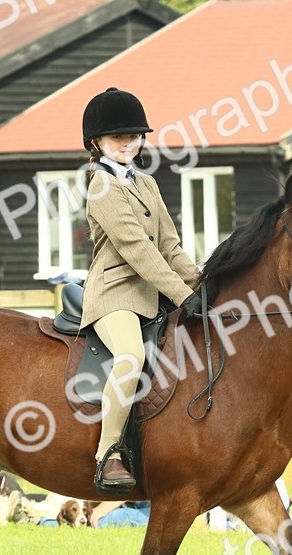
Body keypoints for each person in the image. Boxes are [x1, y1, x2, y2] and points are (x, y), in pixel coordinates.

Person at [79, 87, 202, 492]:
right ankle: (108, 452)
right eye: (119, 138)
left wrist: (202, 282)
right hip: (115, 291)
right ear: (96, 143)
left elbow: (169, 246)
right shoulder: (100, 185)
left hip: (153, 292)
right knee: (130, 356)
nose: (128, 144)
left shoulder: (146, 184)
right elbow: (138, 249)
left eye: (134, 137)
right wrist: (183, 296)